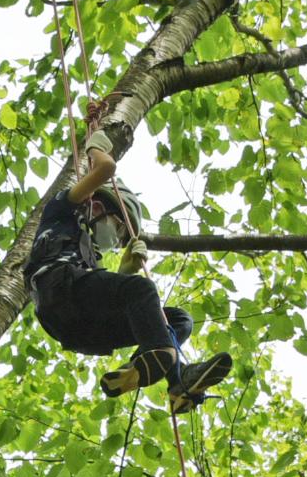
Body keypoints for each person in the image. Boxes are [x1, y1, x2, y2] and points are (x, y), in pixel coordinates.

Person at [24, 126, 230, 409]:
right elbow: (106, 169)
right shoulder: (61, 211)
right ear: (99, 207)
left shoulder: (88, 254)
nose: (118, 240)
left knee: (177, 320)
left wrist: (125, 272)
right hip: (58, 291)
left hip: (81, 329)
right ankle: (160, 355)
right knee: (142, 291)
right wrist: (95, 148)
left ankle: (177, 383)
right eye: (121, 230)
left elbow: (103, 302)